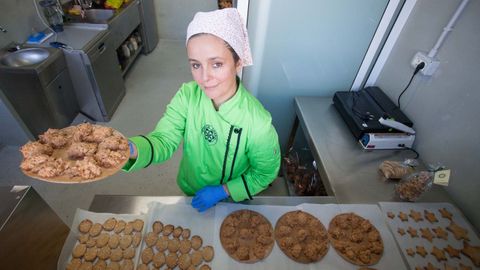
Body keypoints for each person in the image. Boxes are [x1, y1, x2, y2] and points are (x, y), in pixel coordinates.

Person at [123, 8, 280, 212]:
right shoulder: (187, 96)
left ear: (238, 61)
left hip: (233, 198)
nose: (204, 78)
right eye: (196, 65)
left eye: (216, 64)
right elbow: (163, 140)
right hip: (191, 189)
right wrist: (130, 149)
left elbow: (264, 174)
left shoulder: (257, 123)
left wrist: (223, 191)